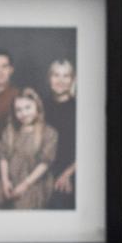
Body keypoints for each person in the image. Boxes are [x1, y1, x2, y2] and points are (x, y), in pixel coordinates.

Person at [0, 87, 58, 210]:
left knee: (21, 209)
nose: (24, 113)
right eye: (19, 110)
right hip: (9, 177)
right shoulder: (10, 131)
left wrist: (25, 185)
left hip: (33, 181)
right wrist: (5, 182)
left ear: (37, 107)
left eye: (28, 107)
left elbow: (45, 163)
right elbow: (3, 158)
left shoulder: (49, 133)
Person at [45, 57, 77, 207]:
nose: (60, 80)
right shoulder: (40, 106)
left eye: (66, 76)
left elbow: (90, 150)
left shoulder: (80, 108)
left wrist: (67, 174)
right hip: (44, 169)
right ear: (49, 78)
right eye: (56, 75)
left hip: (70, 170)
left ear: (73, 79)